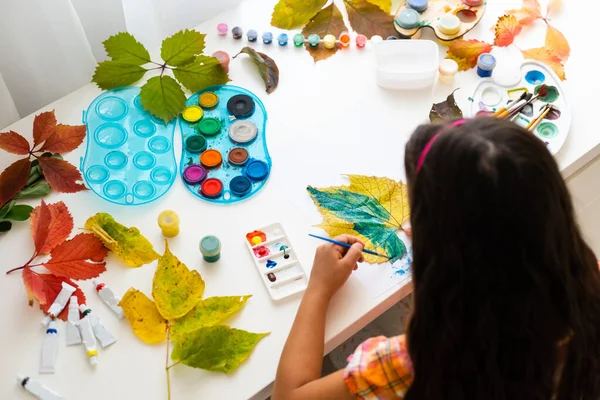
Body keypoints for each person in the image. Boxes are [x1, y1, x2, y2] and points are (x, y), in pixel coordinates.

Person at [272, 118, 600, 400]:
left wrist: (319, 288)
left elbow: (289, 396)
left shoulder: (413, 362)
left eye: (420, 216)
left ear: (445, 261)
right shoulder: (589, 287)